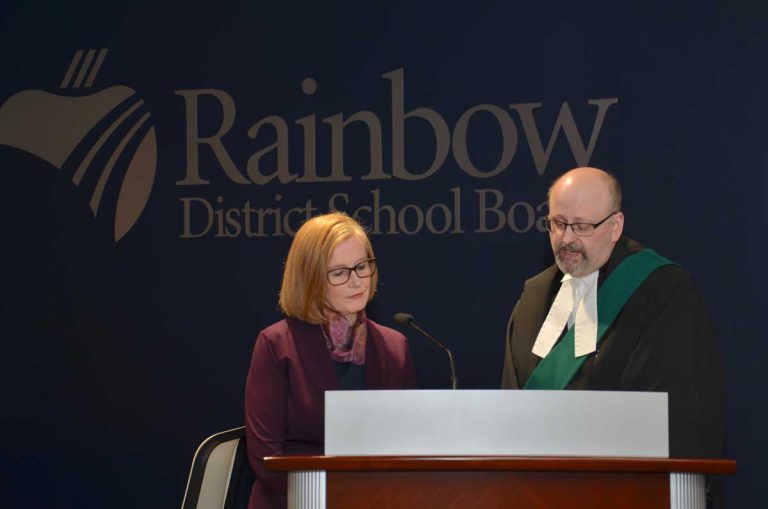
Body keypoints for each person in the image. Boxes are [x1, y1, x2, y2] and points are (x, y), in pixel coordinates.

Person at [502, 167, 726, 461]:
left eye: (581, 226)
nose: (566, 238)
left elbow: (674, 414)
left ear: (616, 226)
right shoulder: (533, 297)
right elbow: (510, 411)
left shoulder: (661, 290)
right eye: (557, 223)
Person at [244, 211, 418, 509]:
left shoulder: (394, 347)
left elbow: (410, 450)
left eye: (362, 266)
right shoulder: (276, 345)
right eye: (339, 272)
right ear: (310, 278)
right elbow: (266, 461)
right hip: (294, 502)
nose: (357, 281)